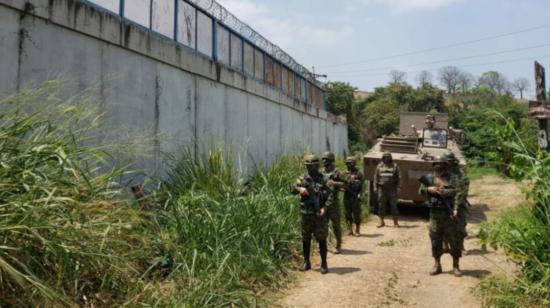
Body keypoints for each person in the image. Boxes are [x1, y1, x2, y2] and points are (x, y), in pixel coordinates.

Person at [419, 156, 463, 277]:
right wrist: (429, 189)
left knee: (454, 241)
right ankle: (437, 265)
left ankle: (456, 266)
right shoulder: (429, 178)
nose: (438, 168)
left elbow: (459, 194)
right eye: (436, 165)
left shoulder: (453, 178)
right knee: (435, 240)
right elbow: (421, 191)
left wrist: (455, 208)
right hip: (435, 215)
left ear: (445, 166)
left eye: (441, 166)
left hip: (449, 215)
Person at [292, 154, 330, 274]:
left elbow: (331, 196)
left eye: (312, 166)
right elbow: (291, 188)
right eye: (307, 166)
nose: (309, 168)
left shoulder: (324, 179)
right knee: (305, 238)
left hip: (319, 214)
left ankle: (324, 263)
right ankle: (306, 262)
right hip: (306, 213)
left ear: (316, 166)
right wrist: (300, 189)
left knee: (322, 238)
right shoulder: (302, 178)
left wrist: (325, 208)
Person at [321, 152, 346, 254]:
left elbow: (345, 184)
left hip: (334, 203)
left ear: (331, 161)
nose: (324, 161)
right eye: (323, 159)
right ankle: (325, 245)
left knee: (336, 225)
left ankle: (338, 244)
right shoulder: (320, 172)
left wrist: (334, 183)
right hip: (323, 202)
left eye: (326, 160)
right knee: (323, 225)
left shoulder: (337, 172)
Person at [445, 152, 470, 253]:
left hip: (459, 205)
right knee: (444, 226)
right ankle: (445, 245)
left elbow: (464, 190)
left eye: (449, 162)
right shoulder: (442, 173)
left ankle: (461, 246)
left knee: (461, 227)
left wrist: (456, 205)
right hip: (445, 204)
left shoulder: (460, 174)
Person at [373, 151, 401, 228]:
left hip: (392, 189)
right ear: (383, 157)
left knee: (393, 205)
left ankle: (395, 222)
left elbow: (399, 178)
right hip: (382, 189)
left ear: (390, 157)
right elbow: (376, 177)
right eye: (385, 157)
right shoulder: (379, 166)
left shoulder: (395, 166)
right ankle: (381, 222)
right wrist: (375, 186)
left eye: (388, 157)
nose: (387, 158)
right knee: (381, 205)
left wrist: (398, 187)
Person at [343, 156, 364, 236]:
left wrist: (360, 194)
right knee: (347, 214)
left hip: (356, 196)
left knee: (357, 214)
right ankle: (350, 229)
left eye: (351, 163)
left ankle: (357, 229)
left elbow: (362, 185)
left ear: (354, 163)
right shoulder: (344, 173)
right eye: (348, 163)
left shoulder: (359, 173)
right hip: (347, 196)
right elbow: (341, 184)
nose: (349, 165)